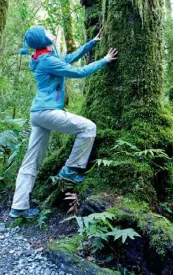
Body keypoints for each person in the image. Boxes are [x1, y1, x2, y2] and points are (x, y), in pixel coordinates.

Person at [9, 25, 118, 219]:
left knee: (31, 161)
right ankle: (70, 169)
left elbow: (68, 59)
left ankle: (18, 208)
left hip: (39, 114)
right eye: (45, 32)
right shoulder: (47, 60)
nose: (49, 32)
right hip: (47, 112)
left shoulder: (44, 57)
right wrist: (105, 60)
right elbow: (78, 72)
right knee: (88, 127)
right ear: (43, 40)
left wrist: (91, 44)